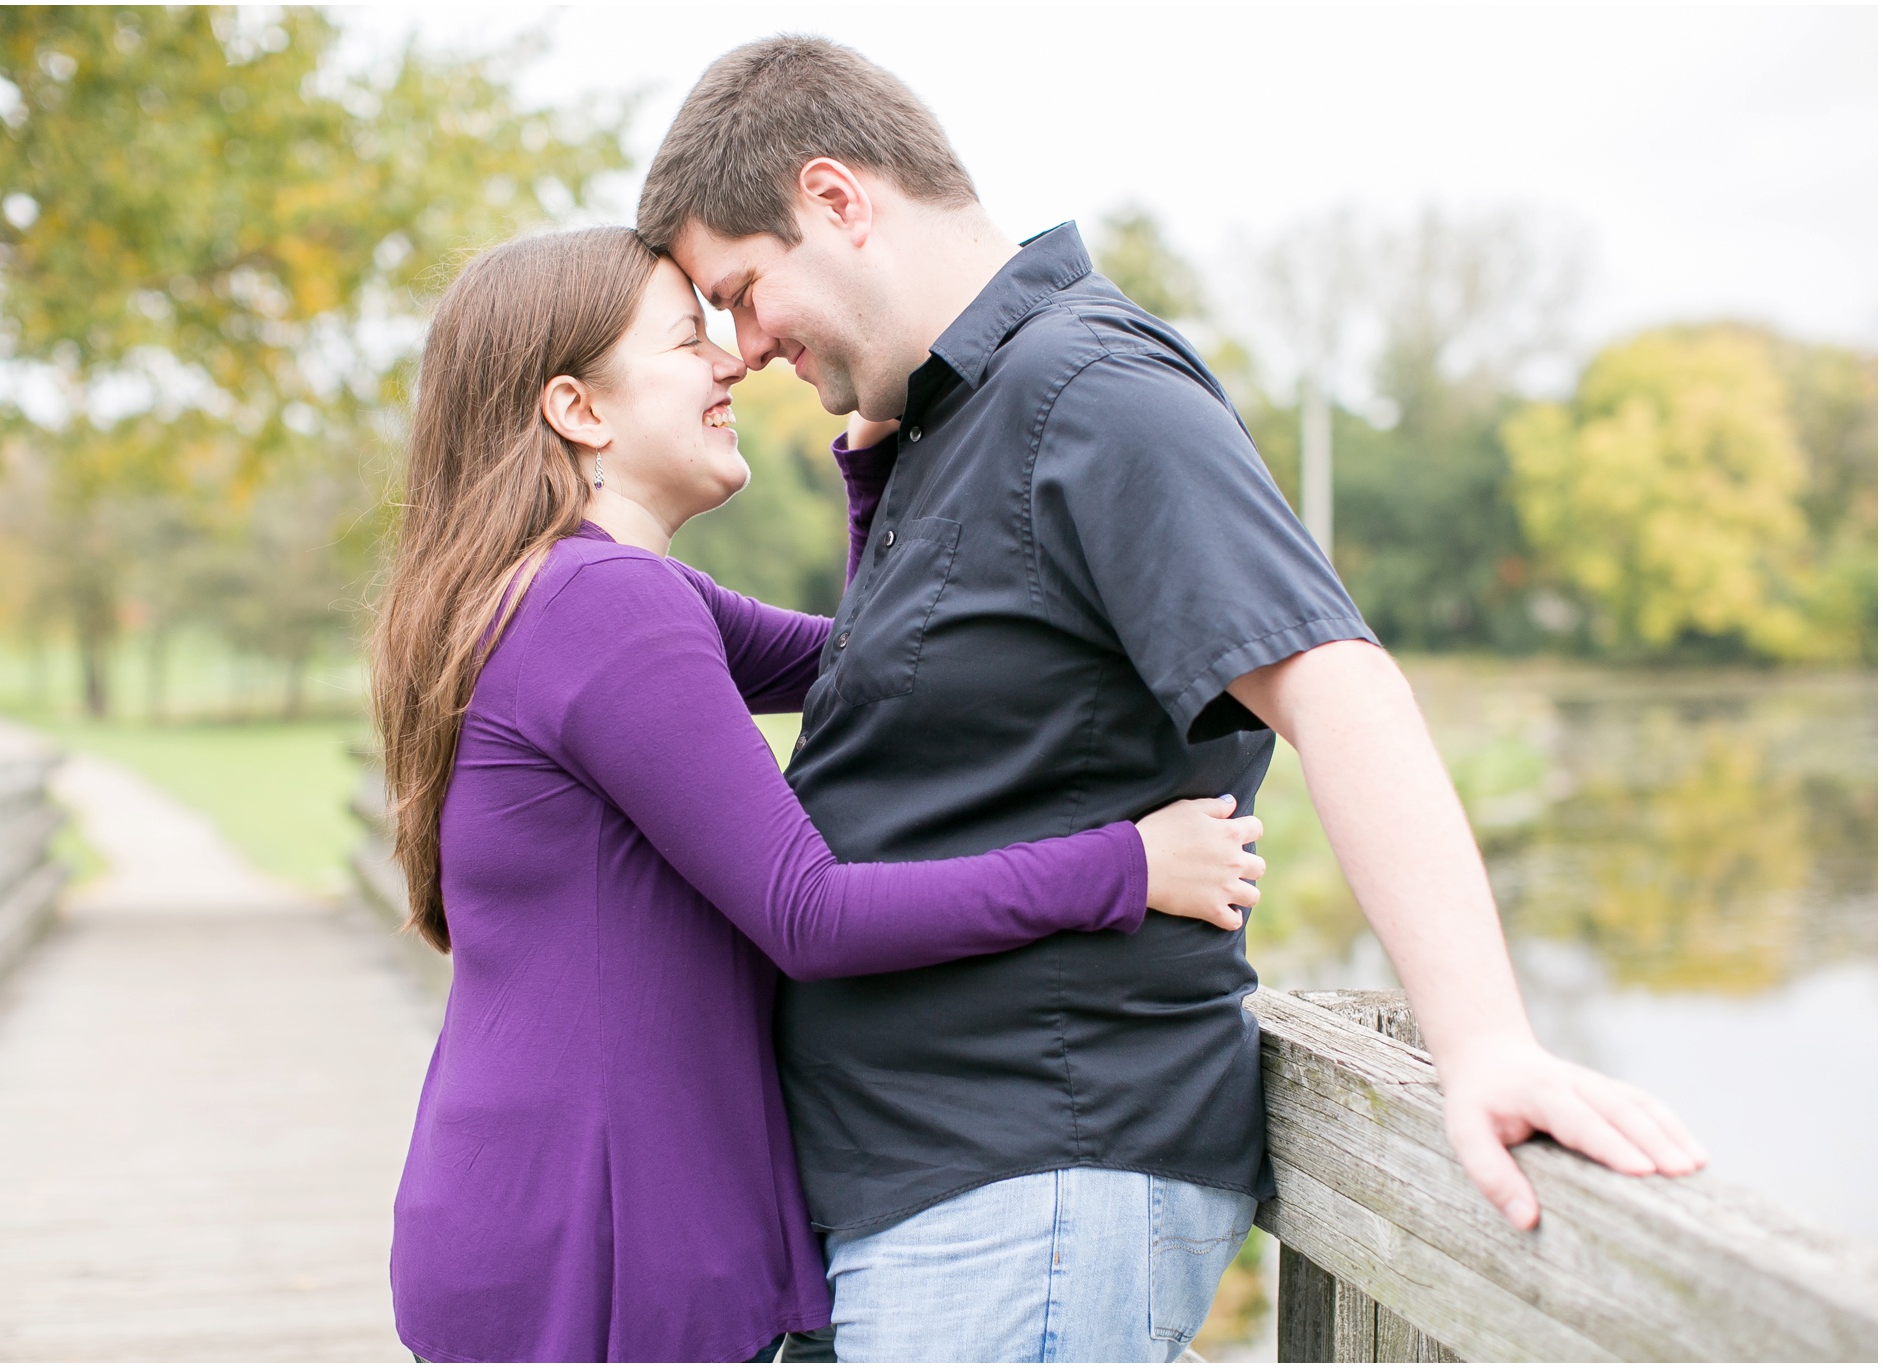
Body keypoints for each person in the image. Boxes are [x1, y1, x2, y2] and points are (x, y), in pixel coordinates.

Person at [639, 36, 1709, 1363]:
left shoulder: (1088, 391)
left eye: (743, 292)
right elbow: (937, 735)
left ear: (839, 200)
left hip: (1027, 1181)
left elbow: (1336, 683)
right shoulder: (955, 425)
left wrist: (1485, 1039)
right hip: (932, 1184)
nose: (741, 349)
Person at [371, 226, 1276, 1363]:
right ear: (577, 409)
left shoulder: (567, 595)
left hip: (534, 1202)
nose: (729, 362)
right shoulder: (604, 605)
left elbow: (874, 667)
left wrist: (875, 470)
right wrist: (1124, 867)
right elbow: (813, 916)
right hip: (600, 1230)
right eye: (683, 340)